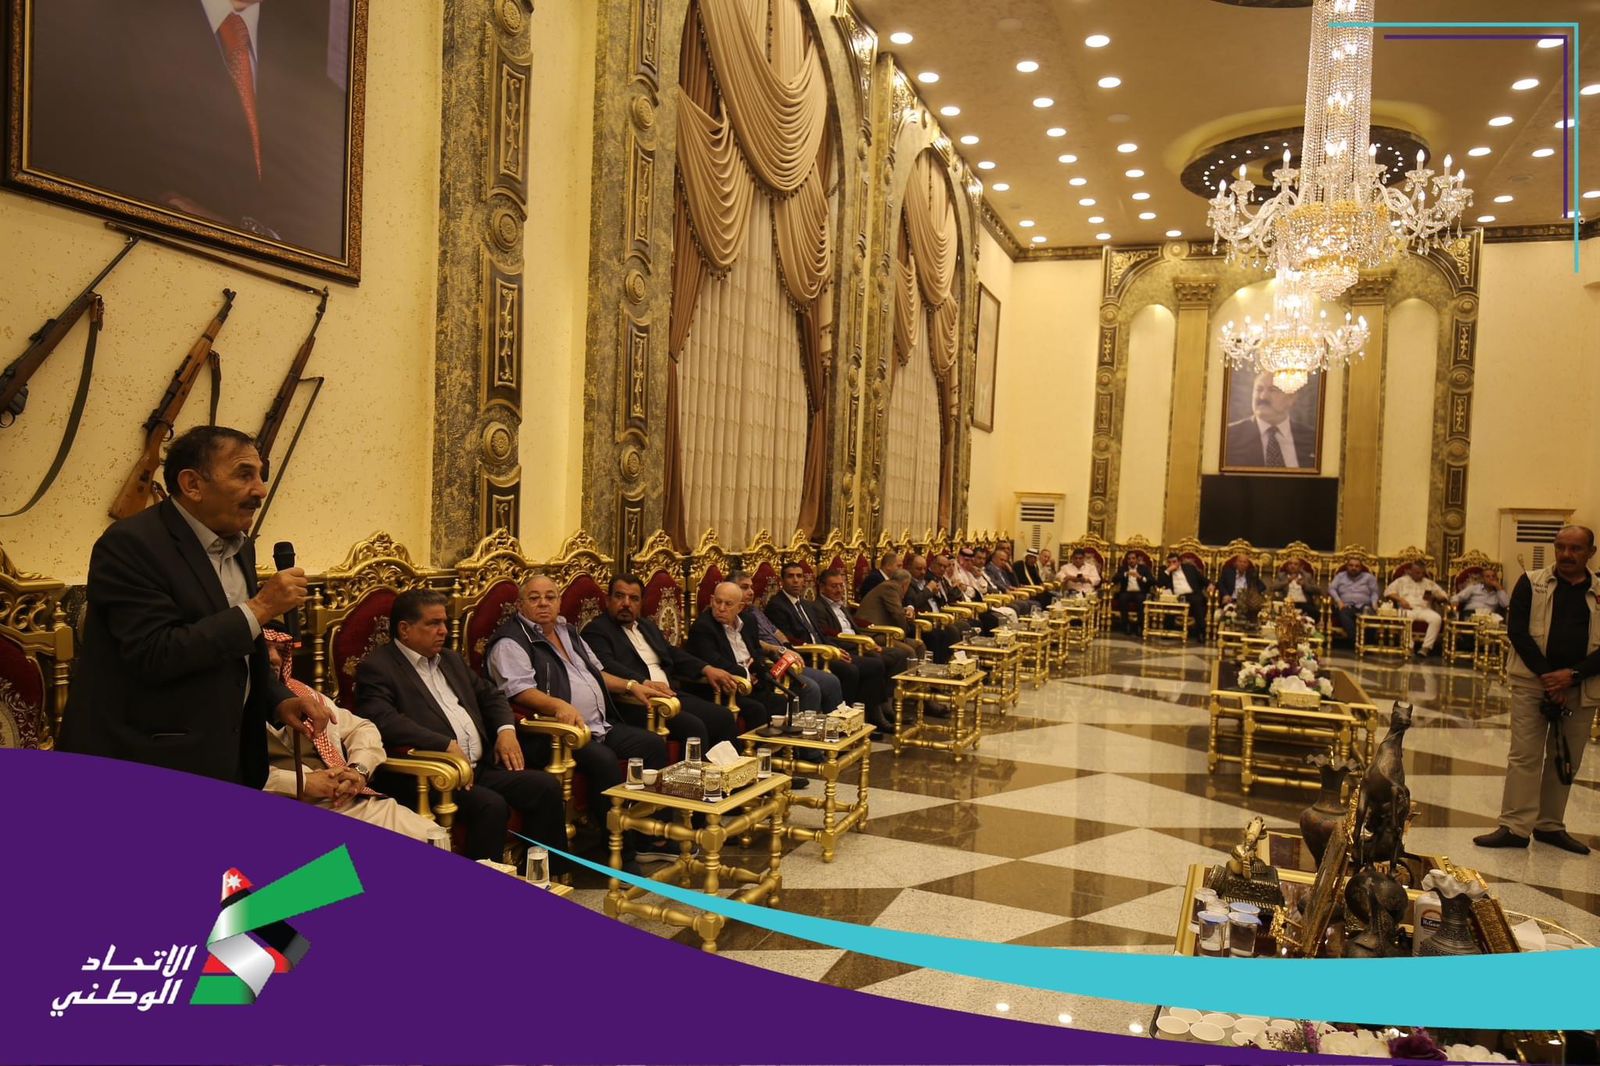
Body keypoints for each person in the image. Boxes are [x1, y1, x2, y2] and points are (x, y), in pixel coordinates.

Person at [59, 425, 327, 786]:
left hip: (228, 760)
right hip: (147, 763)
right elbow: (155, 653)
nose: (260, 490)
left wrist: (278, 700)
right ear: (192, 485)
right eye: (244, 474)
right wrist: (261, 607)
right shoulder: (130, 544)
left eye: (260, 476)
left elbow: (237, 652)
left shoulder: (241, 547)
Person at [27, 0, 348, 255]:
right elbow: (68, 146)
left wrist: (241, 232)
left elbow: (325, 211)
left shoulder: (312, 63)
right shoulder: (116, 18)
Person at [357, 588, 567, 863]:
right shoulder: (378, 668)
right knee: (491, 806)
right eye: (433, 623)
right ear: (405, 629)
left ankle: (545, 876)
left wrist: (505, 731)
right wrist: (443, 744)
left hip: (480, 767)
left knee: (545, 786)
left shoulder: (450, 659)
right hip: (434, 776)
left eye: (444, 622)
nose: (443, 631)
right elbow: (383, 719)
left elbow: (491, 695)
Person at [481, 575, 674, 861]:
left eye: (550, 597)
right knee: (604, 761)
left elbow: (597, 672)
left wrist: (632, 685)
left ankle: (651, 837)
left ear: (559, 602)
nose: (543, 603)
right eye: (534, 598)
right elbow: (519, 691)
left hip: (597, 725)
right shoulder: (511, 642)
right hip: (556, 735)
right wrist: (557, 705)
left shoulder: (567, 630)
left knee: (652, 745)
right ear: (520, 605)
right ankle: (618, 851)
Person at [262, 626, 449, 848]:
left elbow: (362, 728)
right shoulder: (227, 712)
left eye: (280, 650)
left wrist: (358, 771)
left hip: (342, 801)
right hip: (276, 817)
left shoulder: (304, 694)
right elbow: (228, 779)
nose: (274, 659)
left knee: (432, 838)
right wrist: (302, 783)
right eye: (265, 649)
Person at [1475, 526, 1600, 855]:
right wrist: (1549, 677)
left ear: (1591, 552)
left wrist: (1572, 676)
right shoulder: (1531, 582)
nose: (1566, 554)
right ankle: (1515, 826)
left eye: (1575, 548)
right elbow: (1517, 632)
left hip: (1582, 686)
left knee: (1565, 757)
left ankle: (1549, 825)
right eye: (1560, 547)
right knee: (1524, 755)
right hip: (1532, 682)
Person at [581, 574, 740, 750]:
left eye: (634, 598)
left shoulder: (645, 626)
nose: (626, 603)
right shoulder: (596, 631)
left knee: (723, 716)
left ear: (641, 603)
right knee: (694, 727)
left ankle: (732, 767)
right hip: (638, 703)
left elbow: (671, 653)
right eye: (619, 596)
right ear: (608, 600)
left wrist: (706, 668)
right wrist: (643, 683)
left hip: (669, 694)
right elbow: (607, 666)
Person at [764, 564, 893, 731]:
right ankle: (841, 721)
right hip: (807, 656)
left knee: (874, 664)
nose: (796, 580)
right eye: (790, 576)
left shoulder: (806, 604)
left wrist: (835, 649)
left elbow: (821, 634)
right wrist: (824, 649)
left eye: (799, 576)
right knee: (850, 670)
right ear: (782, 581)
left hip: (824, 651)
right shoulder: (777, 605)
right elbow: (787, 640)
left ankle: (867, 715)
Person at [688, 581, 810, 728]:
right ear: (711, 600)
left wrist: (758, 667)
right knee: (757, 709)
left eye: (728, 604)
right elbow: (715, 661)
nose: (721, 608)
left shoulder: (748, 621)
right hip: (726, 688)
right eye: (718, 602)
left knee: (780, 701)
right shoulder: (703, 627)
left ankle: (779, 742)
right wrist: (746, 673)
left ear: (740, 607)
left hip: (754, 682)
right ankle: (755, 744)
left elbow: (756, 650)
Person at [731, 571, 843, 711]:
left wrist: (786, 646)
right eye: (744, 587)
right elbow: (755, 643)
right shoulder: (739, 616)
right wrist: (780, 650)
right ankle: (805, 724)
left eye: (751, 587)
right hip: (770, 662)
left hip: (785, 657)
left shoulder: (754, 610)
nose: (751, 592)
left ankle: (836, 721)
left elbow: (775, 630)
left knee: (831, 681)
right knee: (810, 688)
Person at [814, 568, 910, 679]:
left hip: (860, 642)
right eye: (834, 586)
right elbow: (826, 635)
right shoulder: (818, 607)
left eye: (841, 586)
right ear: (822, 588)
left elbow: (854, 627)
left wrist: (870, 643)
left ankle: (894, 689)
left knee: (900, 654)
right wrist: (863, 643)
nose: (839, 590)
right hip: (847, 647)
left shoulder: (841, 605)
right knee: (877, 662)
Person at [1225, 371, 1318, 469]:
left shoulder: (1313, 438)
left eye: (1273, 390)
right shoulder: (1229, 436)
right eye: (1259, 389)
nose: (1263, 396)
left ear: (1291, 398)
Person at [856, 569, 927, 662]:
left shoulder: (889, 586)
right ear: (905, 584)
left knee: (920, 645)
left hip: (885, 632)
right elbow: (898, 614)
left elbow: (894, 610)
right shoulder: (891, 587)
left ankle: (920, 670)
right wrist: (904, 632)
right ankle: (911, 671)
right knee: (909, 651)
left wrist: (905, 612)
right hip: (873, 633)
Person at [1383, 561, 1447, 655]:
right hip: (1407, 609)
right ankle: (1409, 646)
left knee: (1436, 618)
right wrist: (1400, 600)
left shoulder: (1429, 583)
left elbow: (1444, 596)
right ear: (1410, 571)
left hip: (1424, 609)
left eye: (1422, 573)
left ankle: (1426, 648)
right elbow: (1387, 592)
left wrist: (1435, 597)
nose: (1420, 575)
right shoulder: (1401, 581)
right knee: (1404, 616)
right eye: (1417, 573)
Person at [1328, 557, 1381, 644]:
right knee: (1343, 613)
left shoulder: (1369, 577)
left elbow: (1374, 592)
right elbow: (1331, 589)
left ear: (1361, 568)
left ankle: (1368, 642)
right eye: (1351, 565)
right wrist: (1338, 601)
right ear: (1347, 566)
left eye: (1357, 566)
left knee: (1371, 614)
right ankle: (1356, 641)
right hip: (1346, 605)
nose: (1354, 568)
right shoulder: (1340, 576)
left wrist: (1374, 603)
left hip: (1364, 606)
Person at [1158, 553, 1209, 634]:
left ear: (1179, 562)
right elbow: (1160, 584)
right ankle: (1168, 632)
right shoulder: (1165, 571)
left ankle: (1201, 632)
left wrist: (1210, 584)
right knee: (1170, 603)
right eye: (1169, 562)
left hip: (1191, 594)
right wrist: (1168, 571)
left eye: (1174, 562)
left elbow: (1202, 579)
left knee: (1197, 601)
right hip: (1176, 596)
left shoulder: (1189, 568)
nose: (1172, 564)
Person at [1112, 554, 1155, 635]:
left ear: (1137, 560)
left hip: (1140, 592)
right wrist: (1125, 574)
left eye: (1133, 558)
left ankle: (1140, 626)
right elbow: (1114, 579)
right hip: (1126, 592)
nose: (1131, 560)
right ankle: (1126, 625)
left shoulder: (1144, 568)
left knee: (1141, 600)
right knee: (1122, 599)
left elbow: (1152, 581)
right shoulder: (1123, 568)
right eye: (1129, 559)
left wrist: (1140, 577)